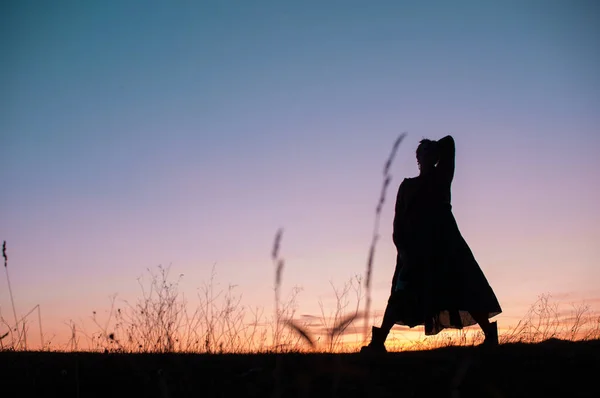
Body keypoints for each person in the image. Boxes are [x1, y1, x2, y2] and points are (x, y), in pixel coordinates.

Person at [361, 135, 502, 353]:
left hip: (445, 244)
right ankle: (378, 343)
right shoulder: (406, 186)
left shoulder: (442, 177)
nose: (429, 153)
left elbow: (450, 142)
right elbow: (398, 222)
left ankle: (490, 336)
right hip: (414, 249)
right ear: (418, 157)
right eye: (424, 150)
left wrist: (435, 146)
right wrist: (402, 248)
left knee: (464, 287)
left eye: (432, 150)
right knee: (400, 294)